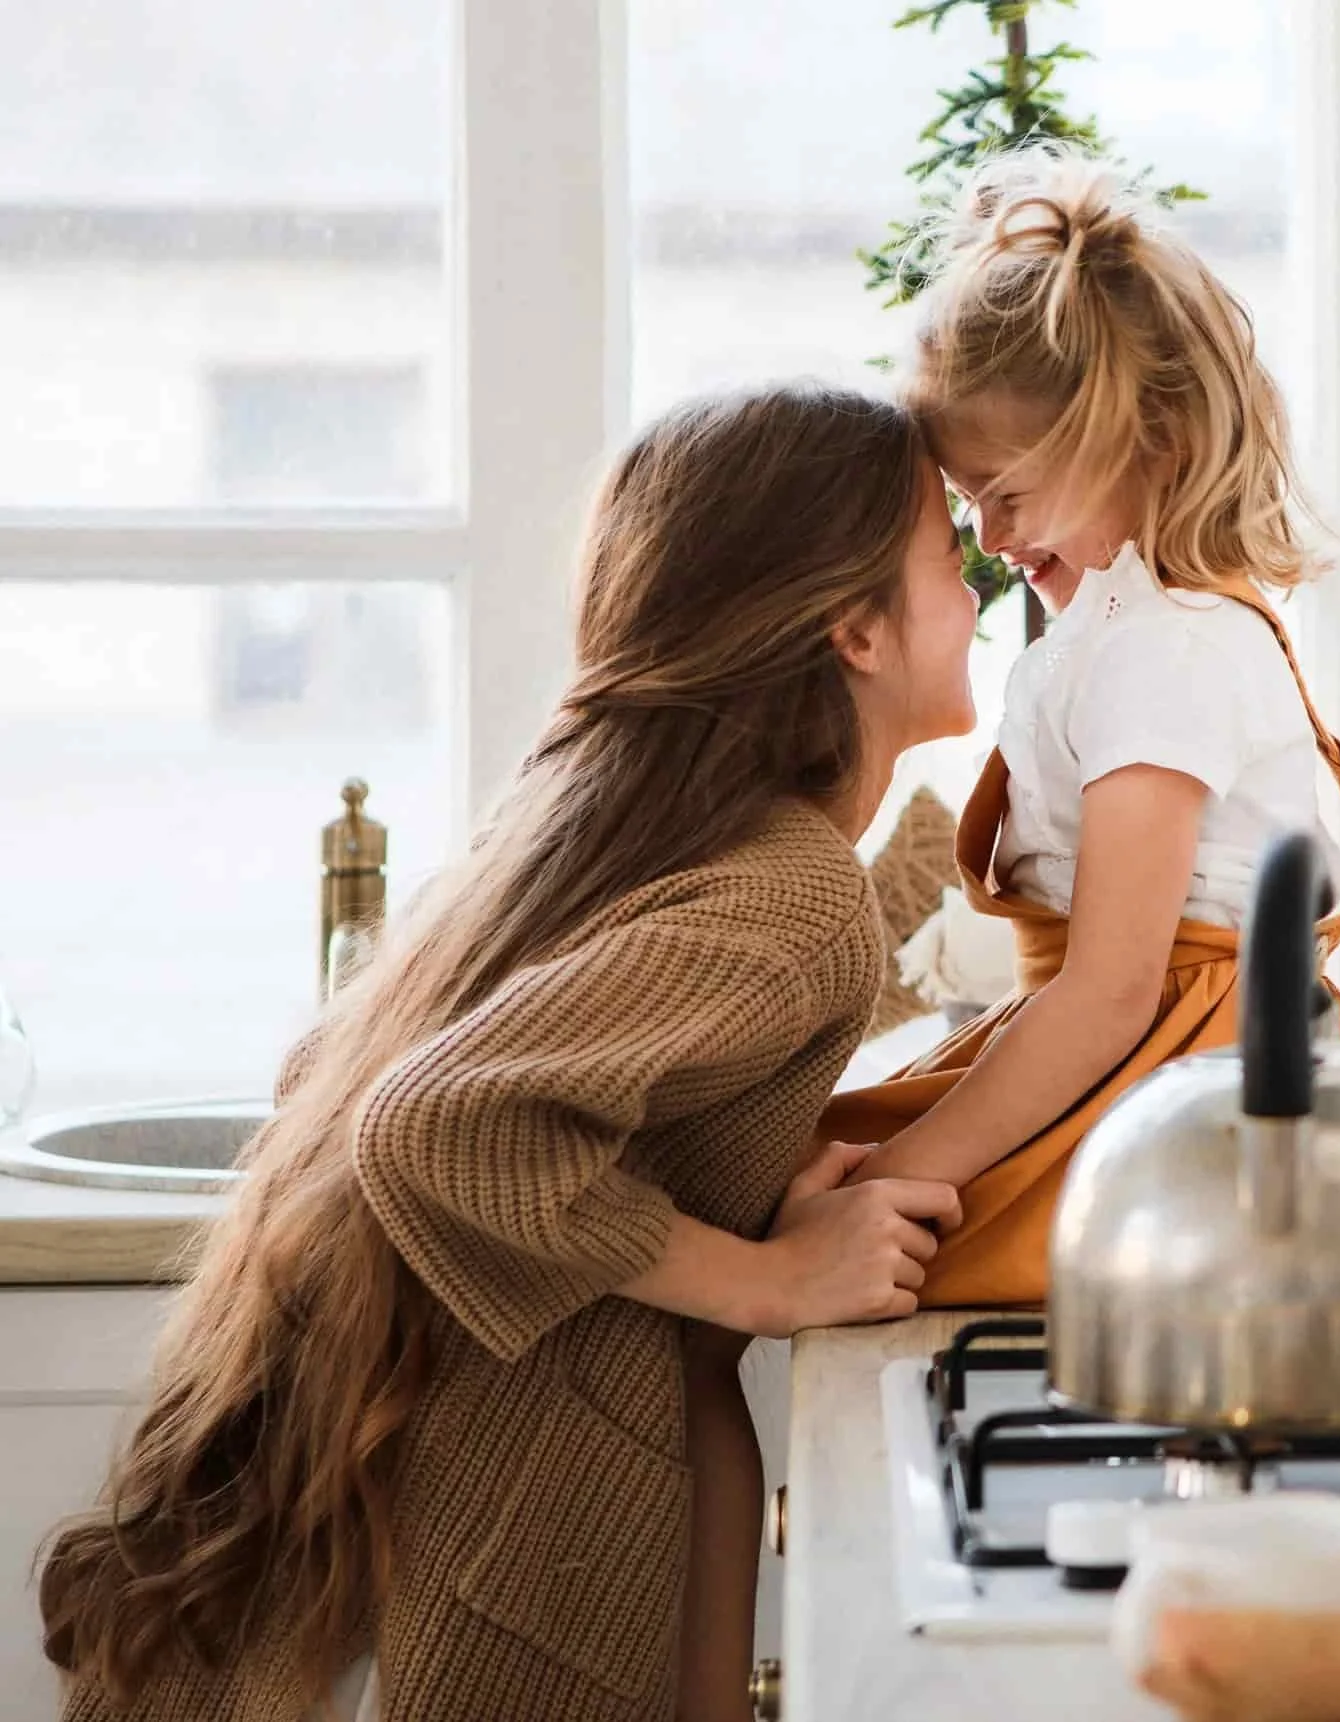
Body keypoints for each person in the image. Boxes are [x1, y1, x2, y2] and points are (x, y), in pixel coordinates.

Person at [37, 382, 976, 1722]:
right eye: (951, 551)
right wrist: (763, 1275)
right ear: (856, 627)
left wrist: (763, 1205)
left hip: (525, 1486)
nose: (982, 583)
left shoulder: (617, 816)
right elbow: (441, 1126)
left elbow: (456, 1081)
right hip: (550, 1510)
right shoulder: (793, 884)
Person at [825, 148, 1340, 1306]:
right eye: (966, 501)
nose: (986, 536)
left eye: (1007, 492)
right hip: (1143, 1052)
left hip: (1180, 1087)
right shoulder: (1123, 631)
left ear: (1148, 442)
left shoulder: (1163, 650)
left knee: (842, 1225)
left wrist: (897, 1174)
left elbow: (1107, 991)